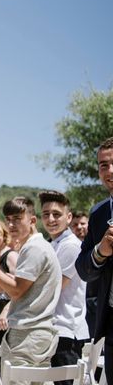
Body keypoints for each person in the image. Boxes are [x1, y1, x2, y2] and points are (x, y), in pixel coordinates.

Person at [0, 196, 61, 383]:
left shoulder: (34, 248)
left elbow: (16, 291)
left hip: (28, 333)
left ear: (32, 220)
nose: (11, 224)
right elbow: (25, 285)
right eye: (8, 219)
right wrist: (4, 282)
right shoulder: (38, 245)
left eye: (17, 219)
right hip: (38, 333)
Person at [38, 190, 88, 385]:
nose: (50, 219)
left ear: (68, 217)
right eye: (46, 214)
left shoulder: (71, 246)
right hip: (54, 330)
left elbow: (53, 289)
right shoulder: (52, 244)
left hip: (66, 330)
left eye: (56, 214)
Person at [76, 137, 113, 384]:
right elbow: (83, 269)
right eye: (103, 165)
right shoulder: (98, 213)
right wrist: (101, 251)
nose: (109, 171)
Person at [71, 211, 98, 337]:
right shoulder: (67, 246)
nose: (79, 227)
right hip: (75, 305)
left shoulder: (97, 245)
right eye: (75, 225)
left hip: (94, 302)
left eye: (83, 223)